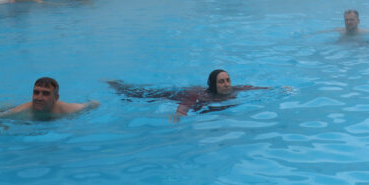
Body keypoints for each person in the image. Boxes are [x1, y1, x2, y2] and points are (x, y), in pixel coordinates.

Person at [108, 69, 267, 122]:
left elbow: (251, 88)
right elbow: (186, 103)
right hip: (174, 94)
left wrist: (271, 89)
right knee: (135, 94)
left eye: (228, 80)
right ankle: (116, 84)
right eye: (221, 82)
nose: (226, 84)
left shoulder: (234, 90)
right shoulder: (202, 95)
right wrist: (179, 114)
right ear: (213, 85)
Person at [0, 77, 98, 120]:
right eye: (36, 92)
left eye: (45, 93)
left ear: (56, 98)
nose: (39, 98)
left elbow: (94, 104)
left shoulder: (68, 110)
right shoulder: (22, 111)